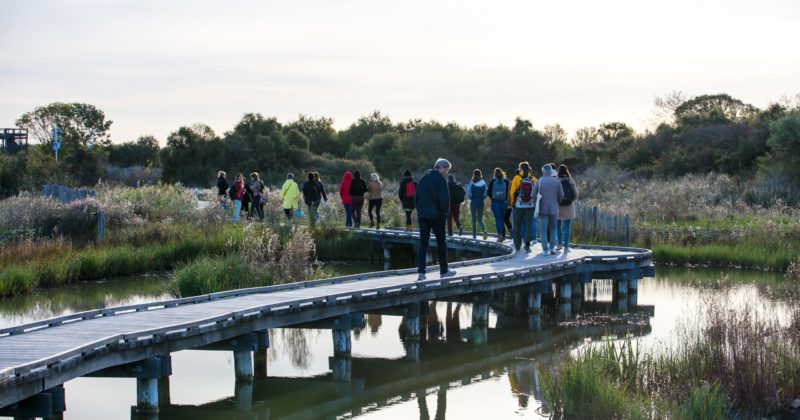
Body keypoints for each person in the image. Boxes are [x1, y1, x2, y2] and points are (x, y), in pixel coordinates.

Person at [415, 158, 457, 281]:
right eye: (447, 170)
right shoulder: (441, 180)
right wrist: (444, 215)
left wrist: (420, 211)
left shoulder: (423, 179)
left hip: (423, 216)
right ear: (441, 167)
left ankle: (421, 273)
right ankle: (444, 271)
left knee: (423, 244)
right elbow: (445, 201)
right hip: (436, 216)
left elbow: (416, 198)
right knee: (441, 243)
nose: (447, 172)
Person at [533, 164, 564, 256]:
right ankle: (552, 248)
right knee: (554, 228)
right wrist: (556, 202)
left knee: (543, 230)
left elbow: (533, 194)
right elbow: (561, 195)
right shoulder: (557, 182)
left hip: (542, 208)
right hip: (554, 208)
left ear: (543, 171)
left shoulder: (539, 181)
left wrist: (536, 203)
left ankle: (545, 249)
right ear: (551, 172)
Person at [510, 162, 537, 252]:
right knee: (529, 224)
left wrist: (512, 203)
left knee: (517, 225)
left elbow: (512, 192)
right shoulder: (533, 179)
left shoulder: (517, 178)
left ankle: (517, 245)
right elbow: (537, 193)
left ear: (520, 168)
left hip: (519, 205)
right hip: (530, 205)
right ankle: (527, 245)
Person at [557, 164, 578, 252]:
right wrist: (571, 200)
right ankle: (566, 247)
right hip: (569, 205)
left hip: (558, 205)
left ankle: (559, 245)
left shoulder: (556, 180)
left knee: (558, 225)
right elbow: (575, 194)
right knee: (567, 226)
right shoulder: (570, 180)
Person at [487, 168, 510, 242]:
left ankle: (500, 236)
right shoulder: (506, 181)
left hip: (495, 203)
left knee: (498, 219)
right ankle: (503, 236)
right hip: (504, 203)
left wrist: (493, 198)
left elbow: (488, 193)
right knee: (502, 219)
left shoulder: (493, 181)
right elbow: (509, 192)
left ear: (495, 174)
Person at [466, 169, 488, 239]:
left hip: (473, 203)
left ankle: (474, 236)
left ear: (473, 174)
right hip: (481, 203)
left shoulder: (471, 183)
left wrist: (472, 197)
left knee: (473, 220)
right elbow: (485, 194)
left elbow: (469, 195)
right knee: (480, 219)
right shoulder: (484, 183)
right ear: (480, 175)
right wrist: (481, 198)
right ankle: (484, 230)